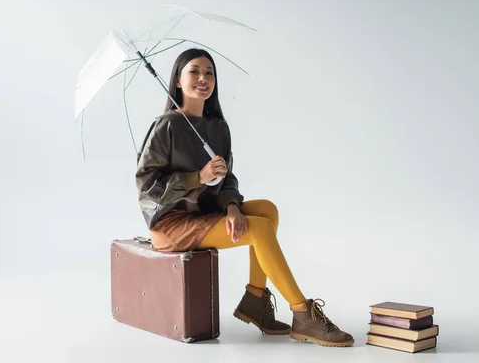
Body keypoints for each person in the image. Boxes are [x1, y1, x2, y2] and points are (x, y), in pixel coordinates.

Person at [135, 48, 354, 347]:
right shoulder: (167, 126)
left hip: (205, 212)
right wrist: (196, 178)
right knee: (260, 229)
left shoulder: (218, 127)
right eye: (194, 71)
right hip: (173, 224)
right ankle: (303, 314)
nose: (203, 78)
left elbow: (229, 179)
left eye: (209, 72)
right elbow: (147, 186)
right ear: (177, 81)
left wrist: (233, 208)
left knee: (266, 210)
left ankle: (255, 300)